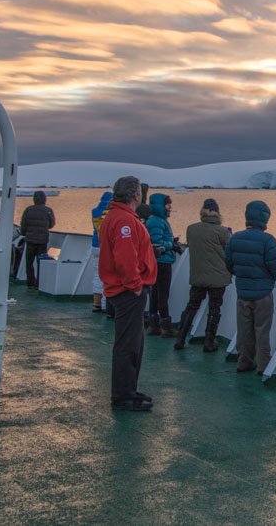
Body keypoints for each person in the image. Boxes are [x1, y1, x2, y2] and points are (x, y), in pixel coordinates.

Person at [99, 176, 158, 412]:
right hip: (128, 292)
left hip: (125, 290)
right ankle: (123, 395)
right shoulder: (124, 220)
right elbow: (125, 258)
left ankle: (128, 389)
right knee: (128, 344)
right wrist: (134, 285)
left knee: (134, 342)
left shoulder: (117, 217)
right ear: (136, 195)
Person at [225, 200, 276, 375]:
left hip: (242, 292)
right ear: (265, 219)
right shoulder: (268, 240)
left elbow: (229, 263)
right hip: (263, 293)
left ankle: (244, 361)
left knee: (244, 329)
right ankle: (263, 365)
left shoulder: (235, 238)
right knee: (262, 330)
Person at [176, 198, 232, 351]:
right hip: (218, 278)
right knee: (214, 309)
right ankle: (209, 342)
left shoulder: (191, 229)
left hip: (198, 276)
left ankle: (180, 339)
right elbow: (230, 248)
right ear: (217, 213)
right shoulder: (222, 231)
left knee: (192, 306)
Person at [144, 193, 178, 337]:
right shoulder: (157, 221)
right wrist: (172, 244)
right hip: (162, 262)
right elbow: (156, 243)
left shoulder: (154, 220)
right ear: (160, 206)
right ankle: (166, 326)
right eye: (167, 204)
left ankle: (153, 324)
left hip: (157, 262)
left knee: (155, 294)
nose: (170, 207)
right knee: (163, 294)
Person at [19, 190, 55, 289]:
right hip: (42, 241)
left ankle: (30, 283)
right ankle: (39, 284)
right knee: (41, 263)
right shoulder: (48, 210)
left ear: (34, 199)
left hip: (30, 241)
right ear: (44, 199)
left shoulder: (28, 210)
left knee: (29, 263)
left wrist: (25, 233)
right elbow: (51, 225)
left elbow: (23, 226)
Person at [91, 191, 113, 313]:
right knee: (107, 275)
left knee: (96, 274)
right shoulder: (111, 213)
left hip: (95, 245)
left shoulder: (95, 212)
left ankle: (96, 303)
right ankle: (105, 305)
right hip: (106, 247)